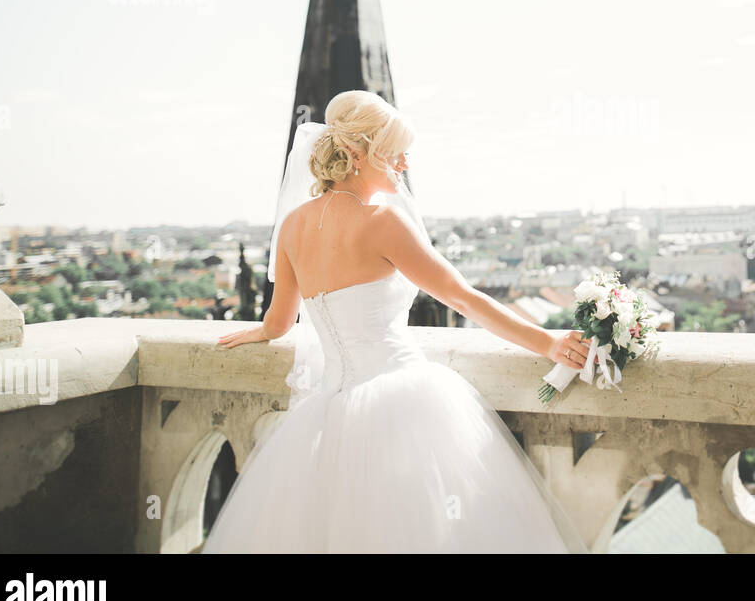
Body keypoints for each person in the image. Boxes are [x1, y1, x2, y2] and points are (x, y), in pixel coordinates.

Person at [203, 90, 592, 553]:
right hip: (402, 399)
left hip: (330, 409)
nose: (404, 164)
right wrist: (547, 343)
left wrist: (259, 333)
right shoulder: (382, 222)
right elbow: (462, 298)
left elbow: (280, 320)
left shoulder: (292, 226)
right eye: (394, 152)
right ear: (357, 152)